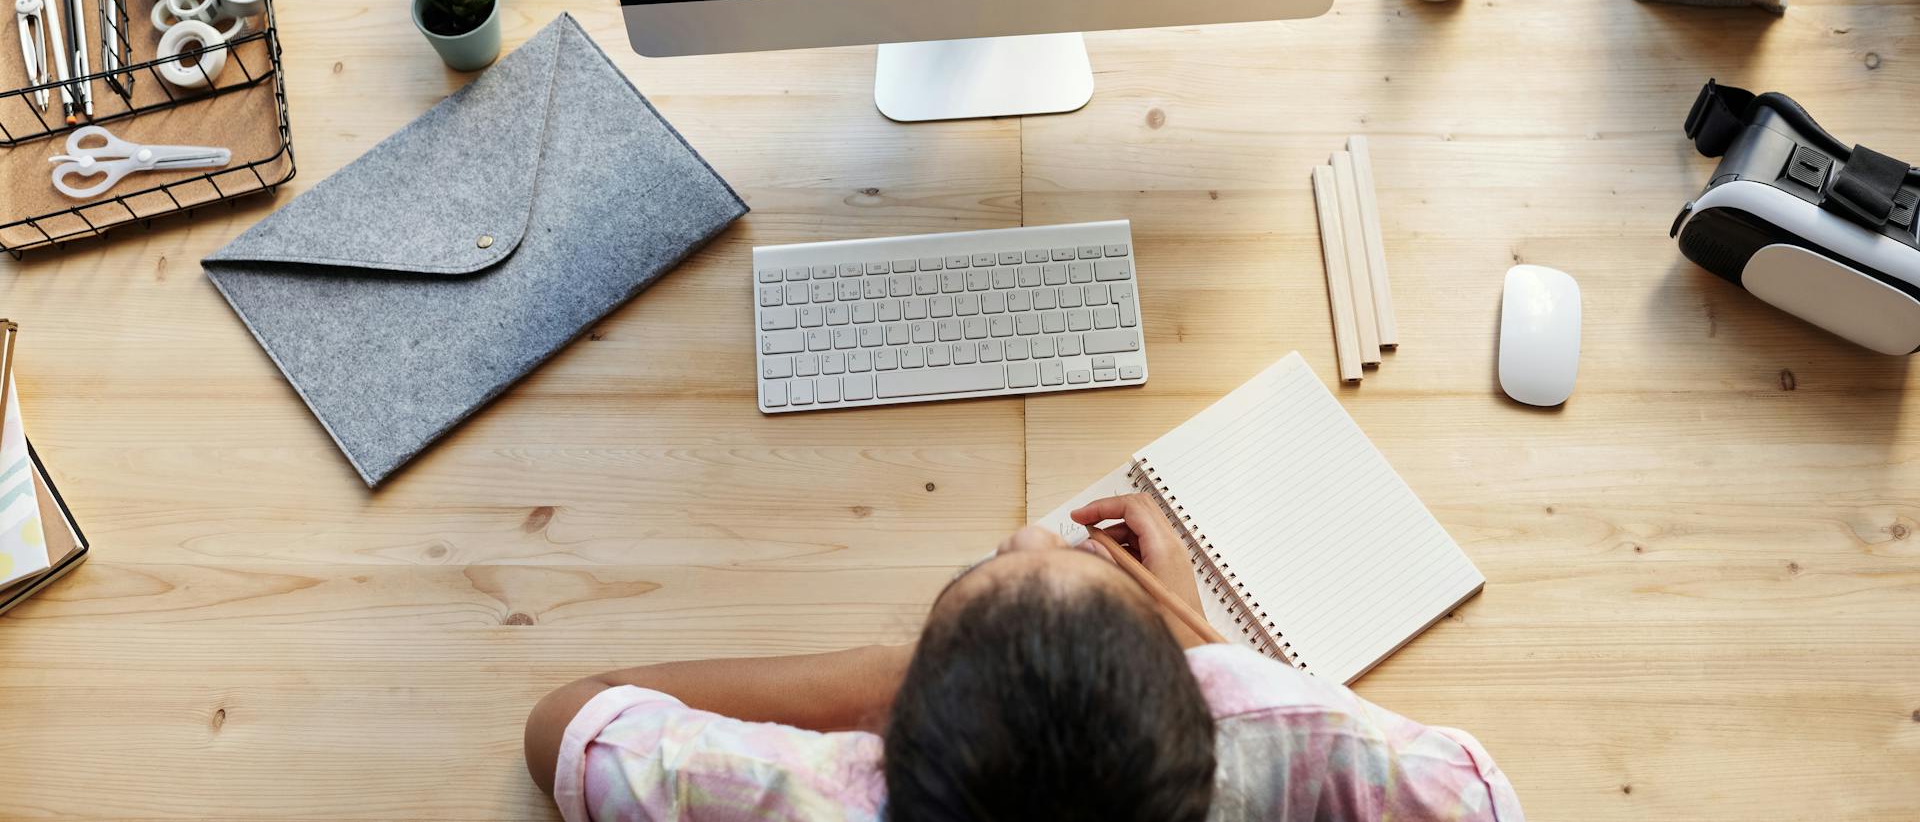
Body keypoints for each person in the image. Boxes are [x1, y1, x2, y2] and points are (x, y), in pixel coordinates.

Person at [524, 493, 1526, 821]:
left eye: (990, 568)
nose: (1038, 537)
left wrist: (900, 678)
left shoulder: (820, 798)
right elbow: (1475, 795)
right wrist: (1195, 639)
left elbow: (570, 722)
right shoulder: (1345, 763)